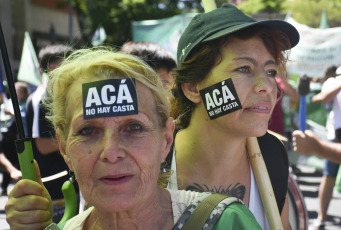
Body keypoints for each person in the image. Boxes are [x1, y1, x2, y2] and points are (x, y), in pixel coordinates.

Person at [5, 48, 262, 230]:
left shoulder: (225, 222)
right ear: (63, 147)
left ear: (166, 139)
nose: (111, 152)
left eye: (134, 127)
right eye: (88, 131)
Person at [167, 4, 299, 230]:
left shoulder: (272, 158)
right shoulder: (149, 159)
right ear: (192, 88)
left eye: (270, 72)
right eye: (244, 69)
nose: (265, 86)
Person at [25, 44, 78, 222]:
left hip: (69, 182)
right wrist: (80, 139)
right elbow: (43, 145)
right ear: (53, 69)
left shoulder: (66, 95)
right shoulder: (41, 98)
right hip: (52, 186)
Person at [301, 65, 341, 229]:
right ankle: (321, 218)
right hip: (337, 135)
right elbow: (323, 97)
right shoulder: (334, 80)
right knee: (329, 176)